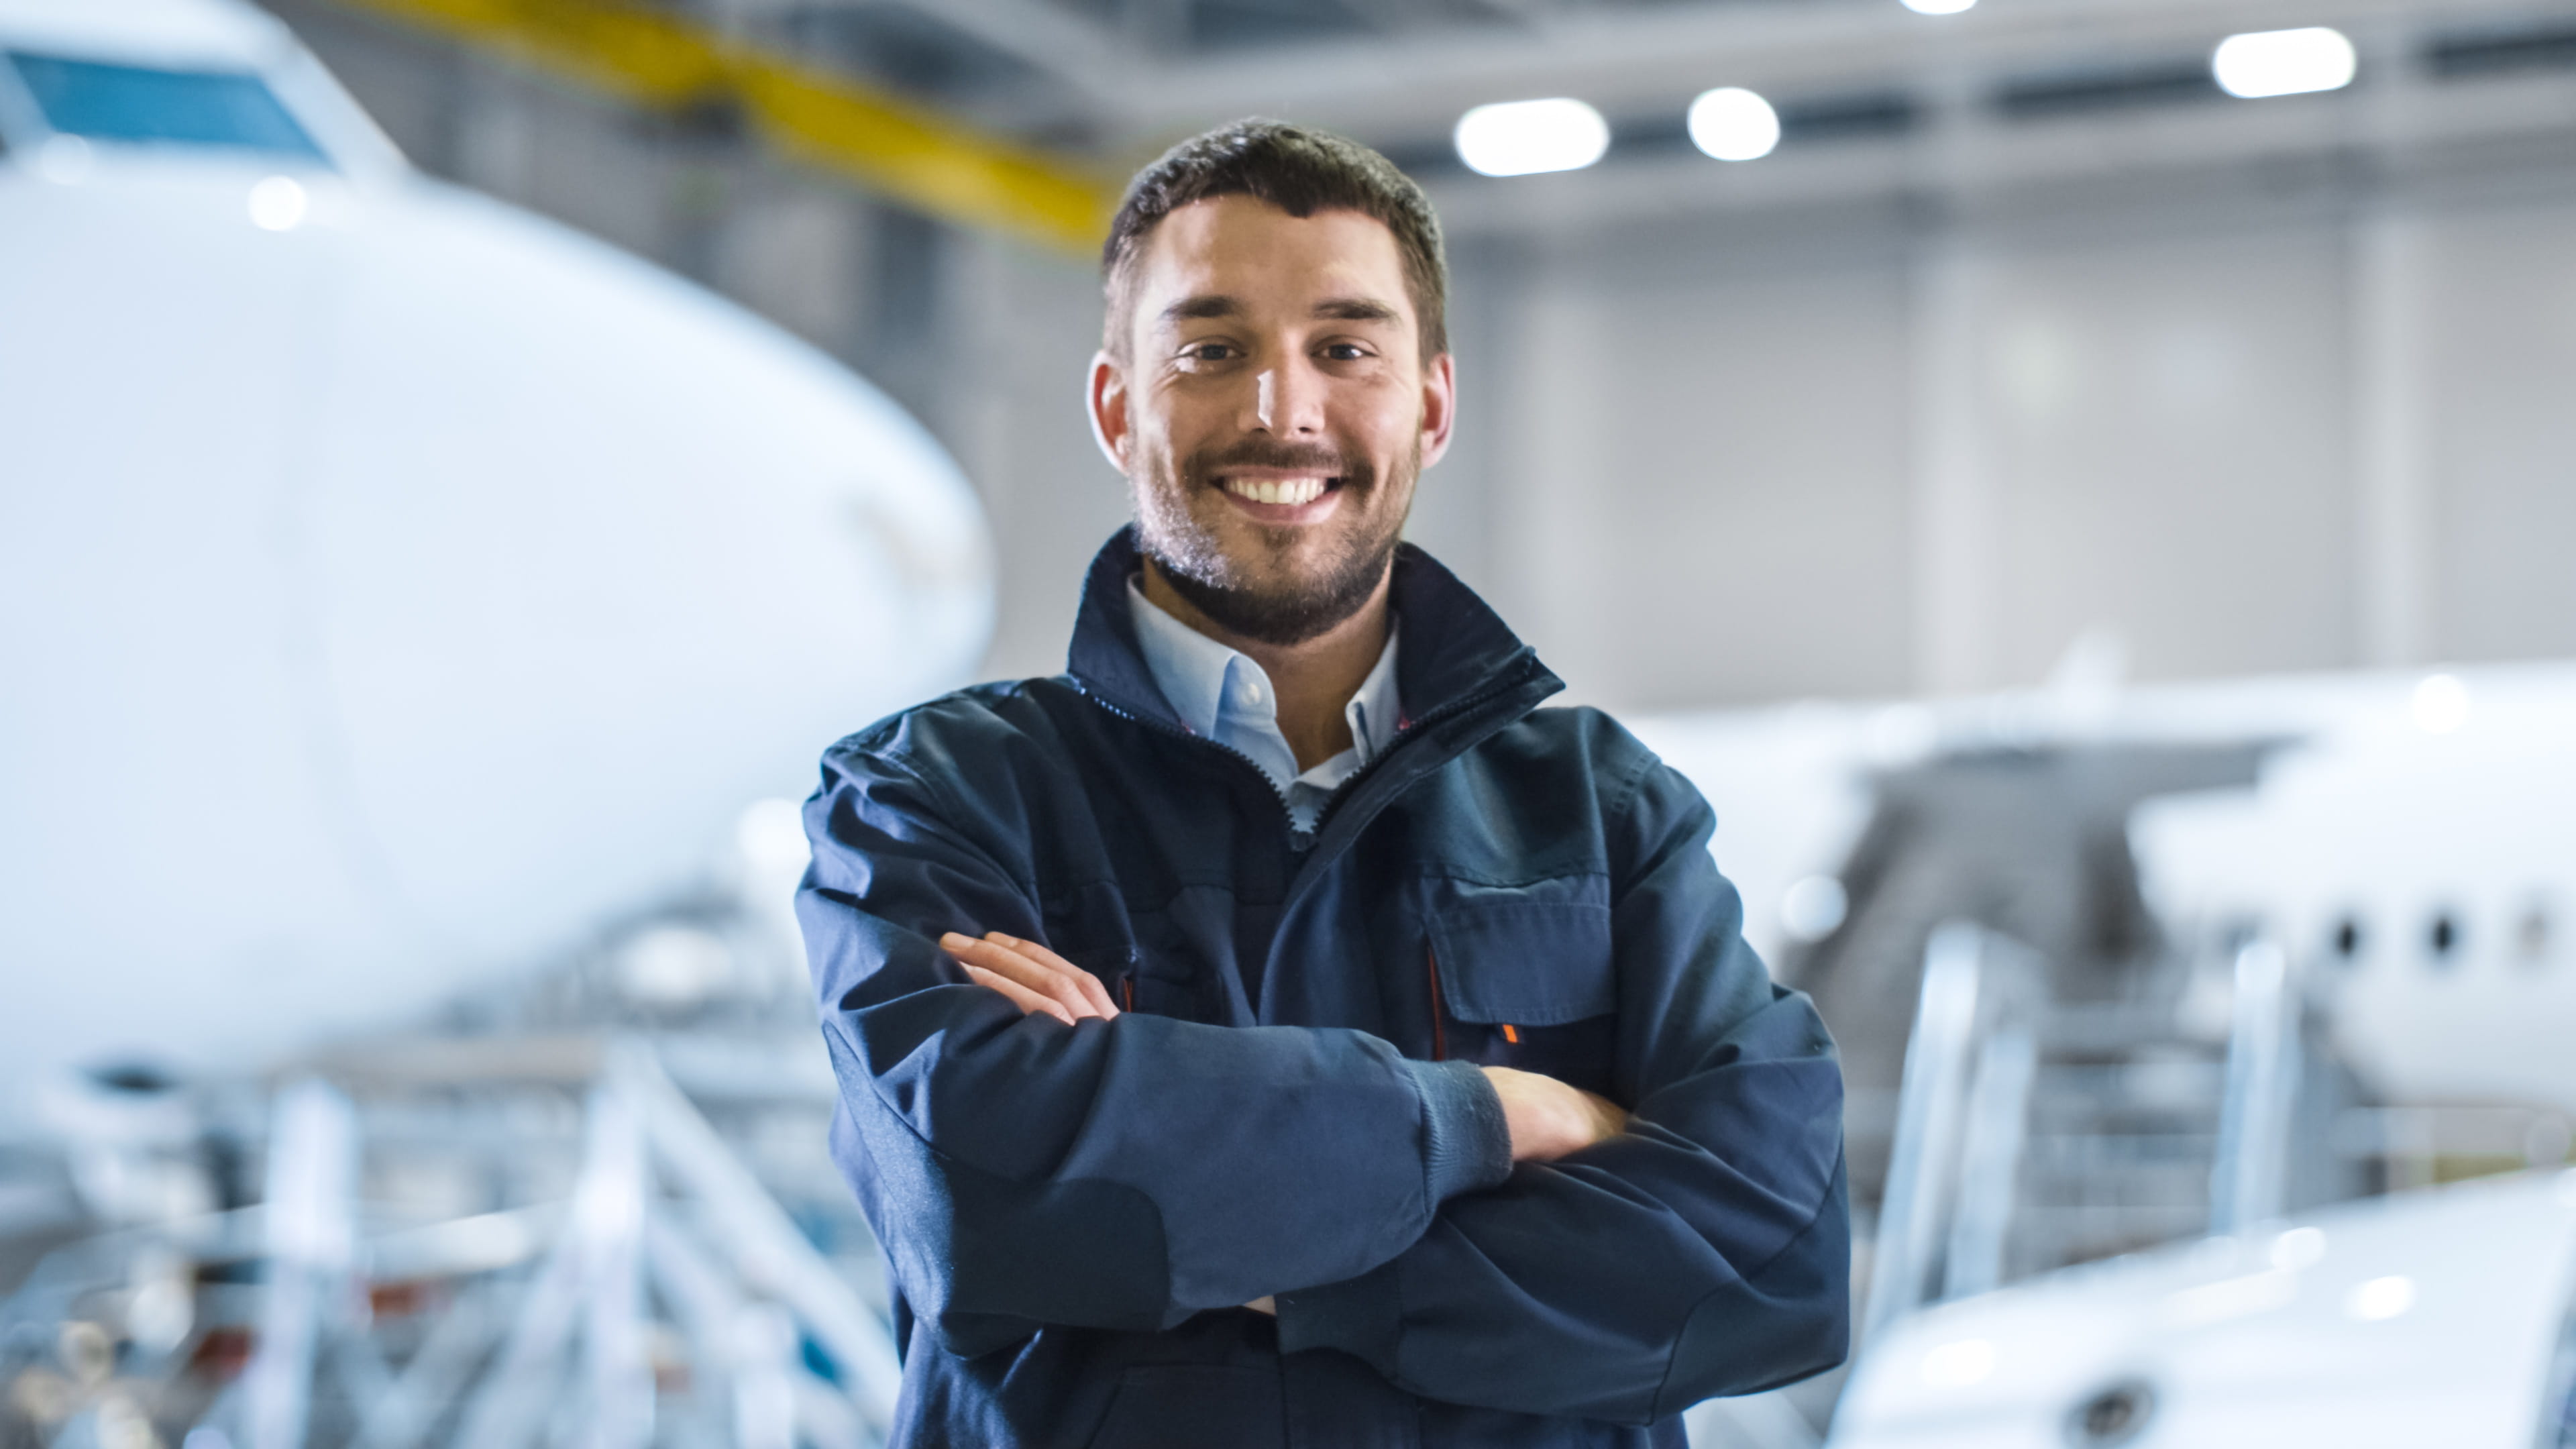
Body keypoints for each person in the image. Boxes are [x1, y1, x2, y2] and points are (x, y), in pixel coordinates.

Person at [798, 119, 1849, 1449]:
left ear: (1433, 403)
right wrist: (1498, 1117)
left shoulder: (1604, 810)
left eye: (1346, 347)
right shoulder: (935, 800)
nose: (1281, 411)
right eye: (1210, 349)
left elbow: (1775, 1263)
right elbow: (985, 1200)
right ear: (1120, 405)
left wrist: (1247, 1246)